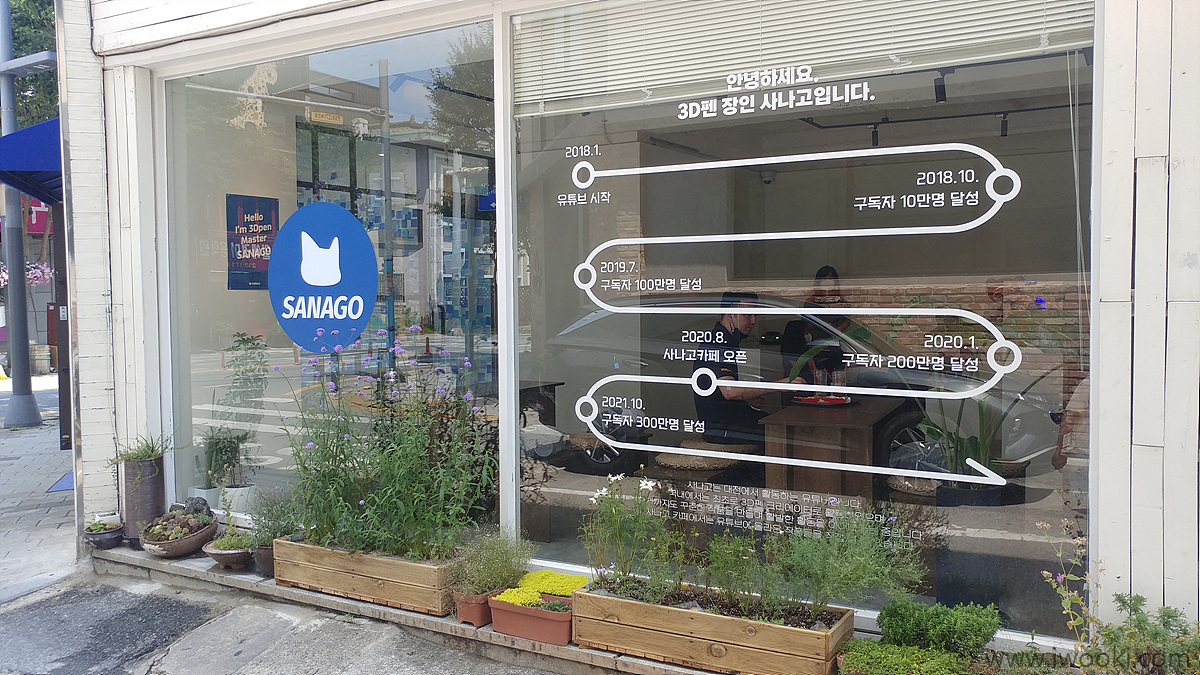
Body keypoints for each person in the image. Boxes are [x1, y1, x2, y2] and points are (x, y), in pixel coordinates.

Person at [692, 291, 798, 447]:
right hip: (721, 427)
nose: (753, 320)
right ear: (730, 313)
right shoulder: (719, 342)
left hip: (733, 418)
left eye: (755, 315)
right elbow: (730, 391)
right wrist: (782, 384)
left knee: (780, 423)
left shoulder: (729, 339)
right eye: (748, 314)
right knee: (781, 434)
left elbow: (720, 388)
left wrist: (747, 397)